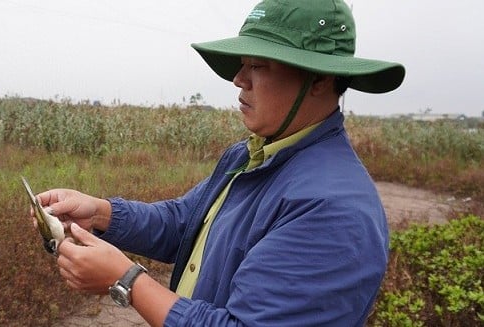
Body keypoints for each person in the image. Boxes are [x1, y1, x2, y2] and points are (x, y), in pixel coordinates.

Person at [31, 0, 405, 326]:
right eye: (242, 64)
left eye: (258, 65)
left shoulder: (332, 210)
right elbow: (184, 224)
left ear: (320, 78)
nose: (239, 79)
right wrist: (99, 213)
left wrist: (128, 281)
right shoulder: (249, 155)